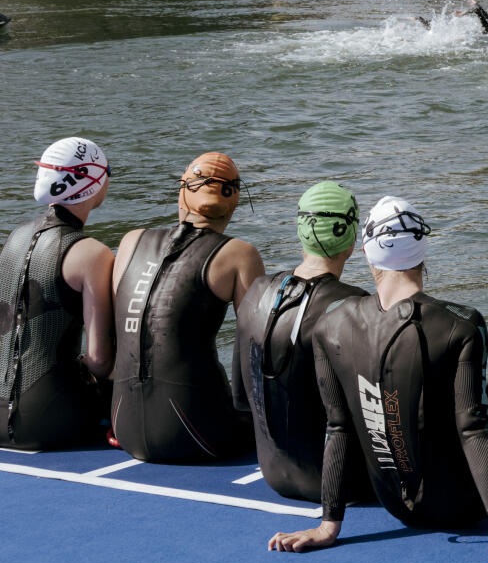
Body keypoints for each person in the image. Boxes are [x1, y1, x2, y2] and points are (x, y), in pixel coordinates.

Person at [269, 196, 488, 563]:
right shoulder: (460, 325)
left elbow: (338, 428)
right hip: (464, 505)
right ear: (422, 255)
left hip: (396, 507)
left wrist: (328, 525)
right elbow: (474, 429)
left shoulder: (331, 323)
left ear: (368, 258)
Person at [110, 153, 263, 462]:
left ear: (182, 194)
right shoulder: (239, 254)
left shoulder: (131, 240)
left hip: (123, 426)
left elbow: (123, 330)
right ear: (233, 202)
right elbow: (256, 350)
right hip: (197, 434)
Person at [231, 182, 371, 504]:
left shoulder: (255, 291)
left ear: (300, 230)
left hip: (273, 474)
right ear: (351, 238)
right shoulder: (355, 306)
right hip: (342, 482)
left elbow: (241, 397)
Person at [0, 138, 116, 448]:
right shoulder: (91, 253)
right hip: (47, 421)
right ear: (93, 181)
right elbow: (100, 361)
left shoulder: (13, 239)